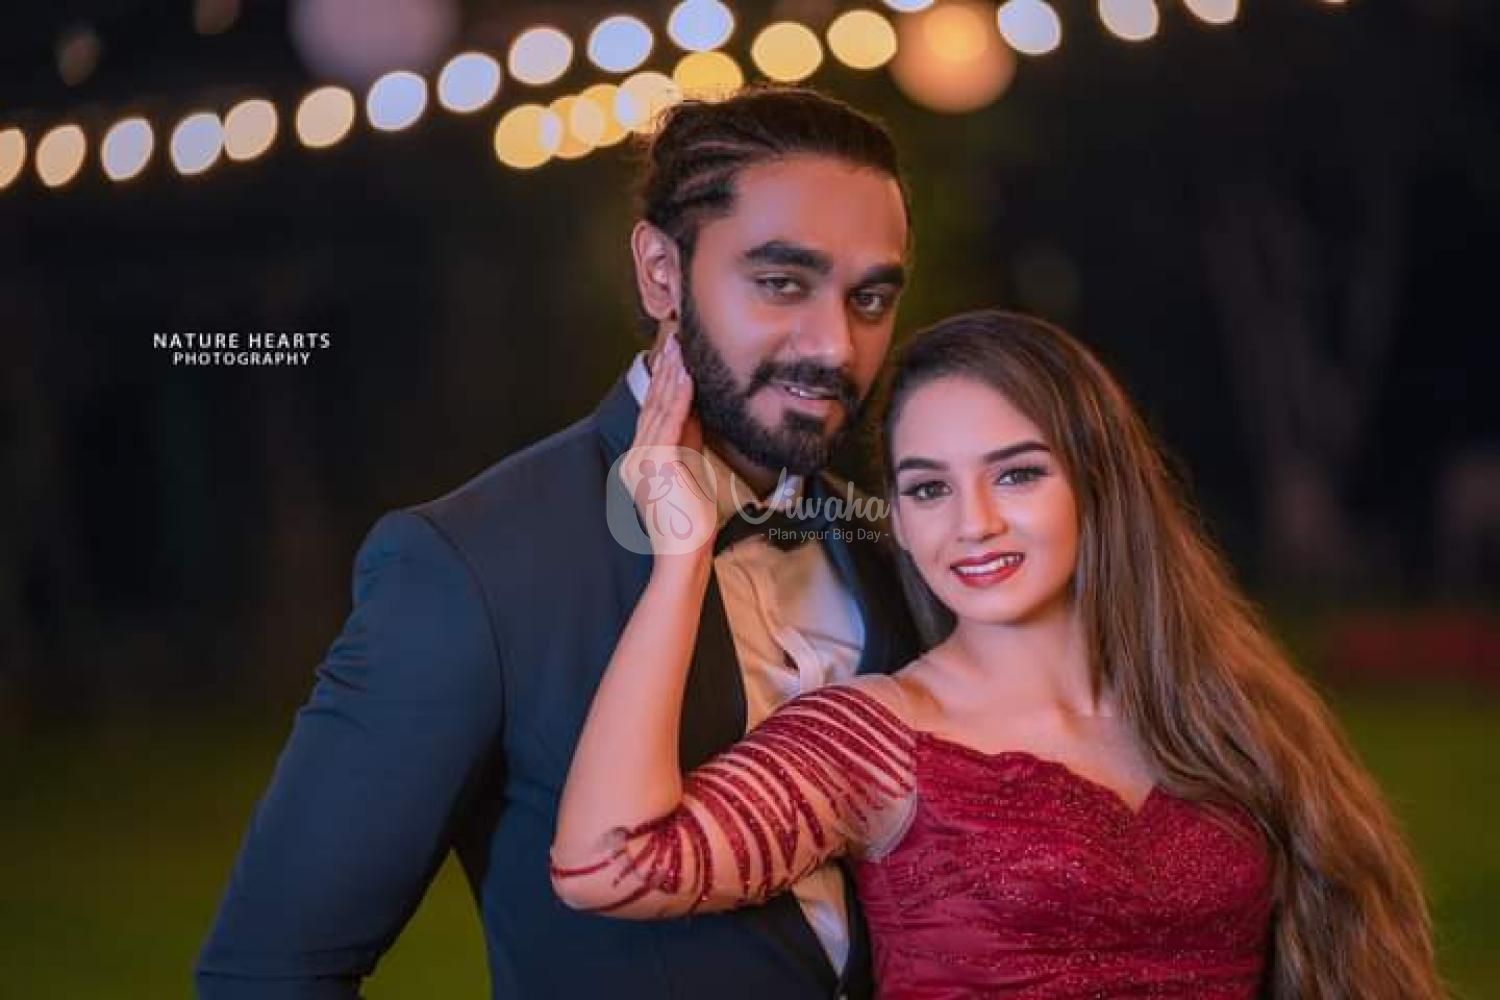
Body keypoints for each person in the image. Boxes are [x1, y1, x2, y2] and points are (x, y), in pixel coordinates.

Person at [196, 86, 922, 999]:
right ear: (660, 271)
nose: (836, 345)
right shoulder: (471, 566)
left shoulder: (898, 548)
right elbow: (264, 971)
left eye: (870, 297)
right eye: (782, 282)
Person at [551, 310, 1442, 998]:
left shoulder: (1218, 705)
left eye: (1016, 473)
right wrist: (681, 563)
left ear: (1097, 483)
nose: (972, 523)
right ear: (899, 522)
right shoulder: (874, 740)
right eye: (928, 489)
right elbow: (602, 866)